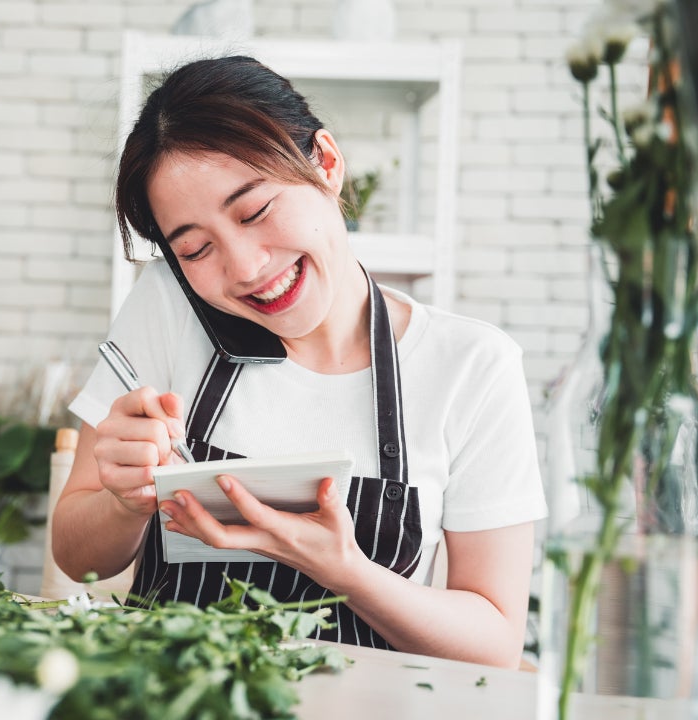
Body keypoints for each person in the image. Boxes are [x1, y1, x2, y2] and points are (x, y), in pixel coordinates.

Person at [51, 55, 547, 669]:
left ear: (327, 164)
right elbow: (79, 557)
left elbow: (495, 642)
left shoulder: (471, 367)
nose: (245, 267)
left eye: (254, 210)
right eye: (196, 247)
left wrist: (347, 572)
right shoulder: (168, 306)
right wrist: (124, 502)